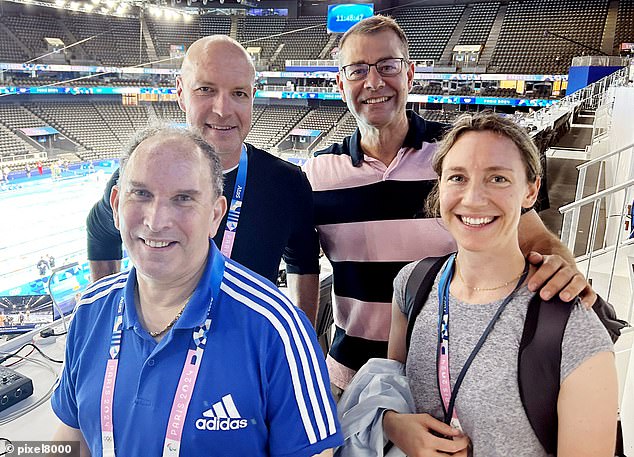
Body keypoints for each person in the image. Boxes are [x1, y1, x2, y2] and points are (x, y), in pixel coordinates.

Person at [303, 15, 596, 392]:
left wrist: (562, 271)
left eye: (387, 66)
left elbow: (538, 242)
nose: (373, 82)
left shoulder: (459, 155)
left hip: (450, 376)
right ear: (341, 83)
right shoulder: (317, 173)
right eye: (358, 69)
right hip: (350, 376)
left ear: (410, 74)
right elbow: (300, 263)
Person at [51, 125, 341, 456]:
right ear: (116, 204)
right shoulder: (90, 310)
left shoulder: (277, 328)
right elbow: (71, 438)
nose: (156, 221)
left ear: (216, 215)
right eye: (141, 194)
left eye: (183, 198)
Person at [383, 113, 617, 457]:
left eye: (498, 178)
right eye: (458, 177)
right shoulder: (413, 284)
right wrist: (393, 423)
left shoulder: (573, 327)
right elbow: (392, 389)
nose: (474, 198)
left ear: (531, 190)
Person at [86, 36, 321, 323]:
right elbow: (99, 230)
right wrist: (104, 316)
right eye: (206, 90)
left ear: (253, 97)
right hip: (160, 349)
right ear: (181, 93)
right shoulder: (143, 174)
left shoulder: (287, 183)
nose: (222, 110)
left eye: (239, 93)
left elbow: (303, 261)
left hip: (247, 353)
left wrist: (301, 333)